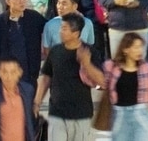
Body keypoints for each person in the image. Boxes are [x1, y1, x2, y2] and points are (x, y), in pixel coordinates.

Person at [34, 13, 104, 141]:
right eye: (61, 28)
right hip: (57, 113)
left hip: (81, 114)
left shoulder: (90, 52)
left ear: (76, 33)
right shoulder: (55, 51)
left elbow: (102, 82)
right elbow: (46, 78)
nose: (60, 32)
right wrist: (37, 102)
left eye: (64, 28)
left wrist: (86, 63)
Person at [103, 32, 148, 141]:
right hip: (119, 115)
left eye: (141, 47)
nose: (140, 51)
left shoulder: (147, 69)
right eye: (136, 47)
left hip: (140, 114)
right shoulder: (111, 67)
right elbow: (102, 83)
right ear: (125, 50)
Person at [0, 0, 47, 90]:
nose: (21, 1)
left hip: (29, 76)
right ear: (8, 1)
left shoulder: (34, 18)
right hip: (6, 77)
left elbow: (50, 28)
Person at [0, 56, 38, 141]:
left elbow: (32, 121)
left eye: (13, 72)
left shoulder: (28, 92)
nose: (9, 77)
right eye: (5, 72)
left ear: (20, 72)